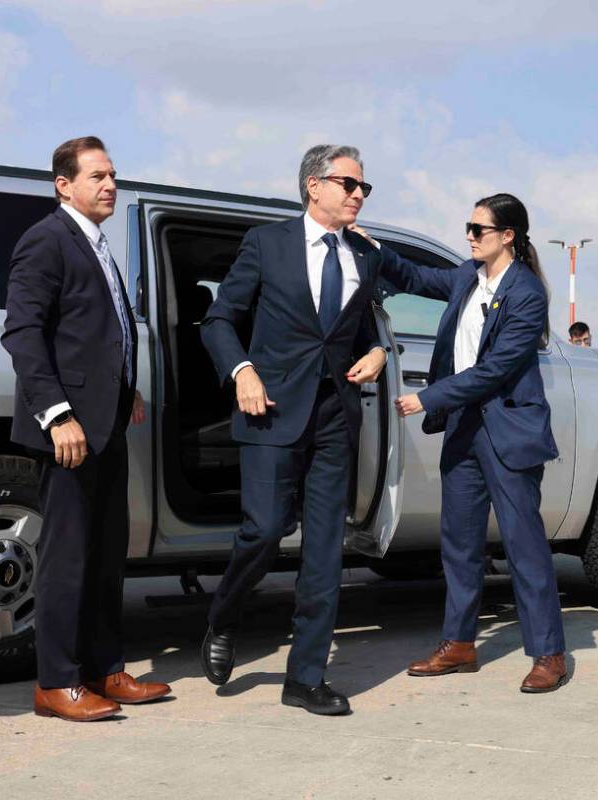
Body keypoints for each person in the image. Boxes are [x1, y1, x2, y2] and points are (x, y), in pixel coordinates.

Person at [198, 144, 388, 715]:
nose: (358, 194)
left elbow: (357, 331)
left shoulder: (366, 256)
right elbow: (218, 320)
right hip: (271, 408)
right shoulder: (266, 244)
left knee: (326, 549)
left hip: (335, 415)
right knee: (264, 529)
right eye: (348, 184)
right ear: (314, 186)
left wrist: (378, 350)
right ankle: (224, 615)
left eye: (363, 188)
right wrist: (242, 370)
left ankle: (304, 678)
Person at [354, 192, 569, 693]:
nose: (469, 237)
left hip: (507, 433)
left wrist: (429, 398)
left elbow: (497, 370)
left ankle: (549, 654)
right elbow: (410, 276)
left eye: (479, 230)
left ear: (508, 236)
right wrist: (372, 248)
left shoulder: (527, 293)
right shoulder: (465, 280)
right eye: (468, 228)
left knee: (524, 546)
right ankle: (460, 644)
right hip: (464, 432)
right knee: (459, 544)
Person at [1, 137, 170, 722]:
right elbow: (24, 333)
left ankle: (104, 669)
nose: (110, 185)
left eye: (113, 175)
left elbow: (95, 332)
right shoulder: (46, 240)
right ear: (63, 184)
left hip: (108, 422)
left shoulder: (96, 243)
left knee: (104, 554)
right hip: (69, 429)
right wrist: (57, 415)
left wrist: (126, 391)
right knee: (67, 556)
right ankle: (57, 681)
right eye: (97, 175)